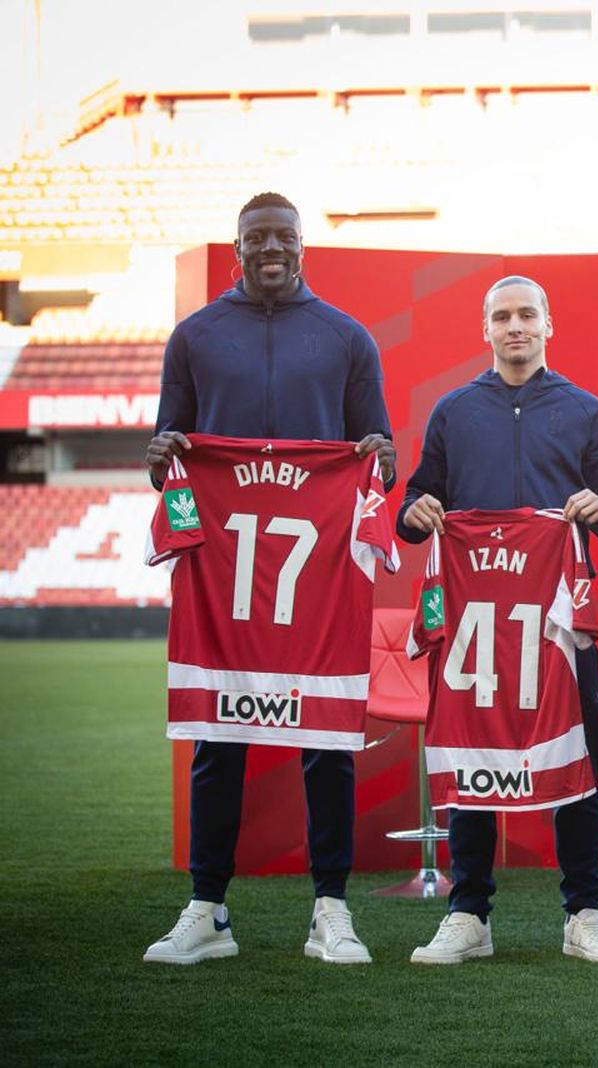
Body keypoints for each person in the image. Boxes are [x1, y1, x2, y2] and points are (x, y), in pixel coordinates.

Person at [142, 192, 396, 965]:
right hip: (225, 571)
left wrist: (378, 463)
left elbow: (378, 458)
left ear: (302, 246)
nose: (272, 248)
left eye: (284, 236)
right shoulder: (195, 336)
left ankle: (331, 909)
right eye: (258, 238)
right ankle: (207, 909)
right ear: (237, 249)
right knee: (220, 739)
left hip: (316, 571)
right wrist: (162, 464)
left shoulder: (347, 338)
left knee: (326, 741)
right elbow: (169, 454)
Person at [399, 275, 598, 965]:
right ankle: (468, 912)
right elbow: (418, 500)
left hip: (560, 624)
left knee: (578, 761)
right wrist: (414, 514)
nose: (515, 327)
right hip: (479, 628)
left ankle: (584, 911)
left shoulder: (585, 411)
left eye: (527, 314)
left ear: (548, 322)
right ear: (486, 329)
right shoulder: (453, 411)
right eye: (502, 317)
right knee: (473, 756)